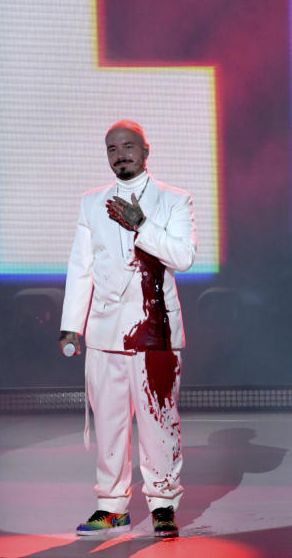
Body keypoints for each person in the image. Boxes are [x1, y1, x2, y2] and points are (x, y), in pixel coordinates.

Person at [58, 120, 197, 538]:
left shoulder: (174, 200)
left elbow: (184, 256)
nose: (120, 154)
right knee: (110, 423)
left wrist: (142, 224)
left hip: (155, 332)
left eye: (128, 146)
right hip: (103, 332)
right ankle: (112, 506)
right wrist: (71, 326)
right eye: (112, 148)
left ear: (146, 150)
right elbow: (81, 268)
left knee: (158, 420)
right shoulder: (90, 204)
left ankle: (162, 503)